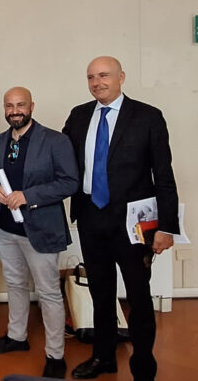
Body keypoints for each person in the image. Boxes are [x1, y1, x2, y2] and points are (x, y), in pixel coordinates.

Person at [63, 56, 179, 381]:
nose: (97, 82)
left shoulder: (148, 116)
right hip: (91, 218)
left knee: (138, 297)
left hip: (133, 225)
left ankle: (143, 364)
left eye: (104, 75)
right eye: (91, 77)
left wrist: (167, 227)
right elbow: (60, 158)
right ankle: (104, 358)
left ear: (121, 77)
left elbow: (163, 175)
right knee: (100, 294)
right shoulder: (79, 115)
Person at [0, 87, 78, 379]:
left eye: (21, 105)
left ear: (32, 106)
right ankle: (17, 336)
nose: (15, 111)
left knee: (48, 292)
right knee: (14, 284)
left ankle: (55, 354)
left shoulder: (55, 141)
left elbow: (70, 182)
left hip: (41, 230)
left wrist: (28, 196)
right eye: (10, 106)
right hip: (6, 228)